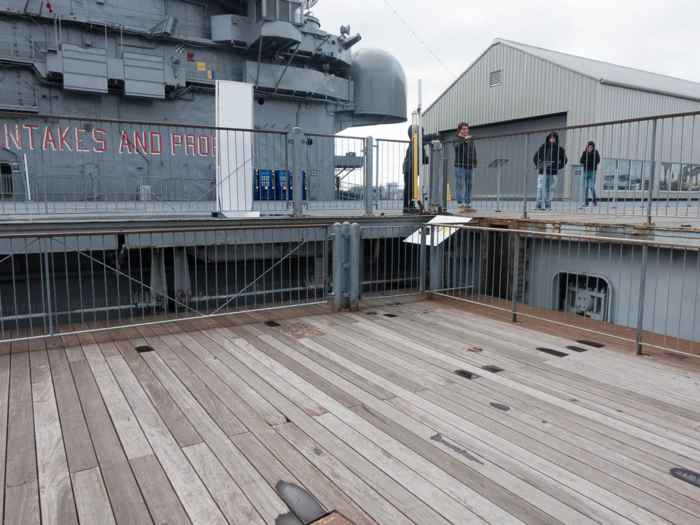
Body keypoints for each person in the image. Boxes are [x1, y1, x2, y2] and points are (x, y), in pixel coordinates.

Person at [402, 125, 439, 213]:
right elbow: (424, 138)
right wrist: (434, 135)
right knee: (408, 188)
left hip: (413, 168)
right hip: (410, 168)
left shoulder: (418, 145)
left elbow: (423, 159)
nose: (422, 134)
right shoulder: (414, 140)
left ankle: (410, 206)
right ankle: (407, 207)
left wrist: (435, 158)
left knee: (411, 188)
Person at [533, 131, 567, 210]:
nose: (552, 140)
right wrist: (539, 165)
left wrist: (557, 166)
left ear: (556, 139)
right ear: (548, 139)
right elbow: (535, 157)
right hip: (542, 172)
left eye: (554, 138)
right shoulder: (543, 148)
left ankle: (548, 204)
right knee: (540, 188)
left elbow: (564, 160)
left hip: (553, 172)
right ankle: (538, 203)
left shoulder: (560, 149)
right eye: (551, 138)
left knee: (550, 189)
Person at [453, 122, 478, 212]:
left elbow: (473, 151)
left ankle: (468, 205)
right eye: (463, 129)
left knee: (469, 186)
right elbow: (456, 147)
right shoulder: (456, 138)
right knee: (459, 185)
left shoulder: (470, 139)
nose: (465, 130)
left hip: (470, 166)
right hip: (460, 166)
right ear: (459, 130)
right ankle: (460, 205)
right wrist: (464, 141)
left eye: (466, 129)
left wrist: (475, 162)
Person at [580, 141, 600, 207]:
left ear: (593, 147)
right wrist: (590, 162)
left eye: (591, 147)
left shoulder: (596, 153)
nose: (590, 148)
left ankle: (594, 200)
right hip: (586, 172)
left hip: (593, 172)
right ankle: (586, 201)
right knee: (585, 187)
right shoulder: (584, 153)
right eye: (589, 147)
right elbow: (581, 161)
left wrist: (587, 162)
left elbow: (597, 161)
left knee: (591, 187)